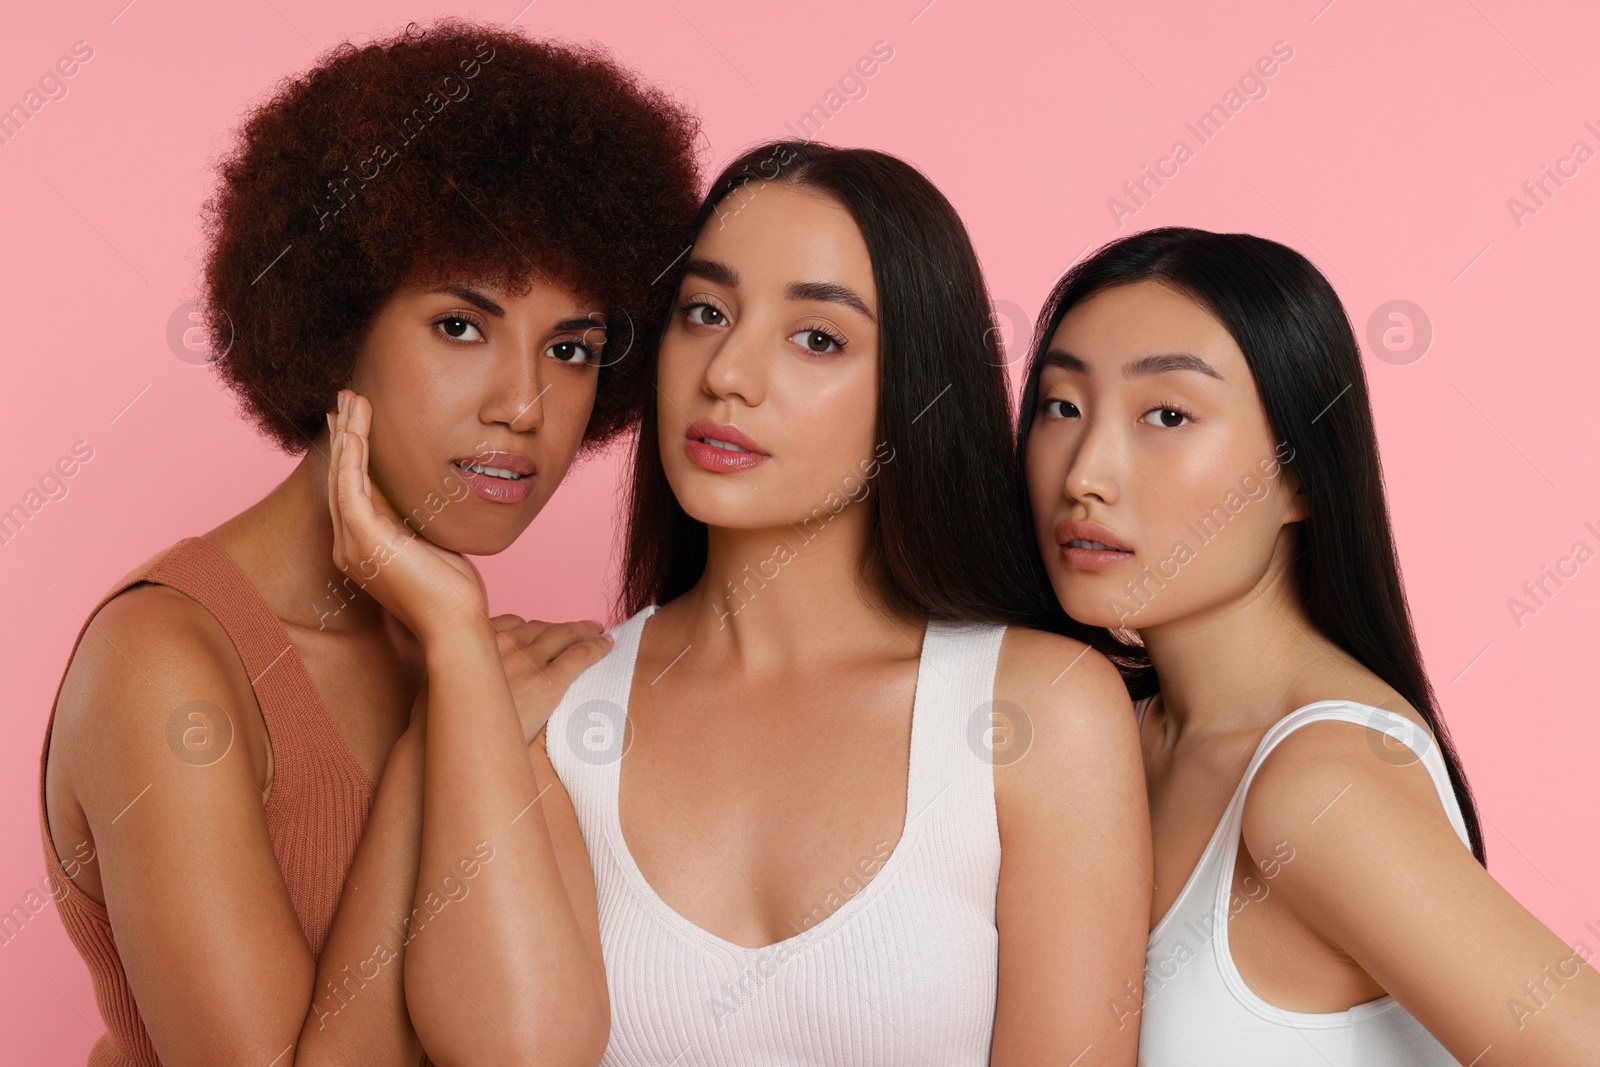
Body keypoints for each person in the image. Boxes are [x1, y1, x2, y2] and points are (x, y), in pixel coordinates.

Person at [338, 138, 1151, 1065]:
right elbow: (516, 1053)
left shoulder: (1043, 711)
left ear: (914, 392)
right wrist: (453, 654)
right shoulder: (550, 709)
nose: (726, 373)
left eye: (817, 338)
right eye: (705, 311)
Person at [38, 20, 700, 1065]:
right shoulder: (168, 662)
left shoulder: (490, 656)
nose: (525, 404)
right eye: (460, 326)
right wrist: (447, 728)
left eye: (570, 348)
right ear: (335, 318)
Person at [1016, 225, 1600, 1065]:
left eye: (1168, 414)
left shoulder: (1321, 784)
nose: (1084, 473)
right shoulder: (1105, 738)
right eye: (1061, 406)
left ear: (1297, 474)